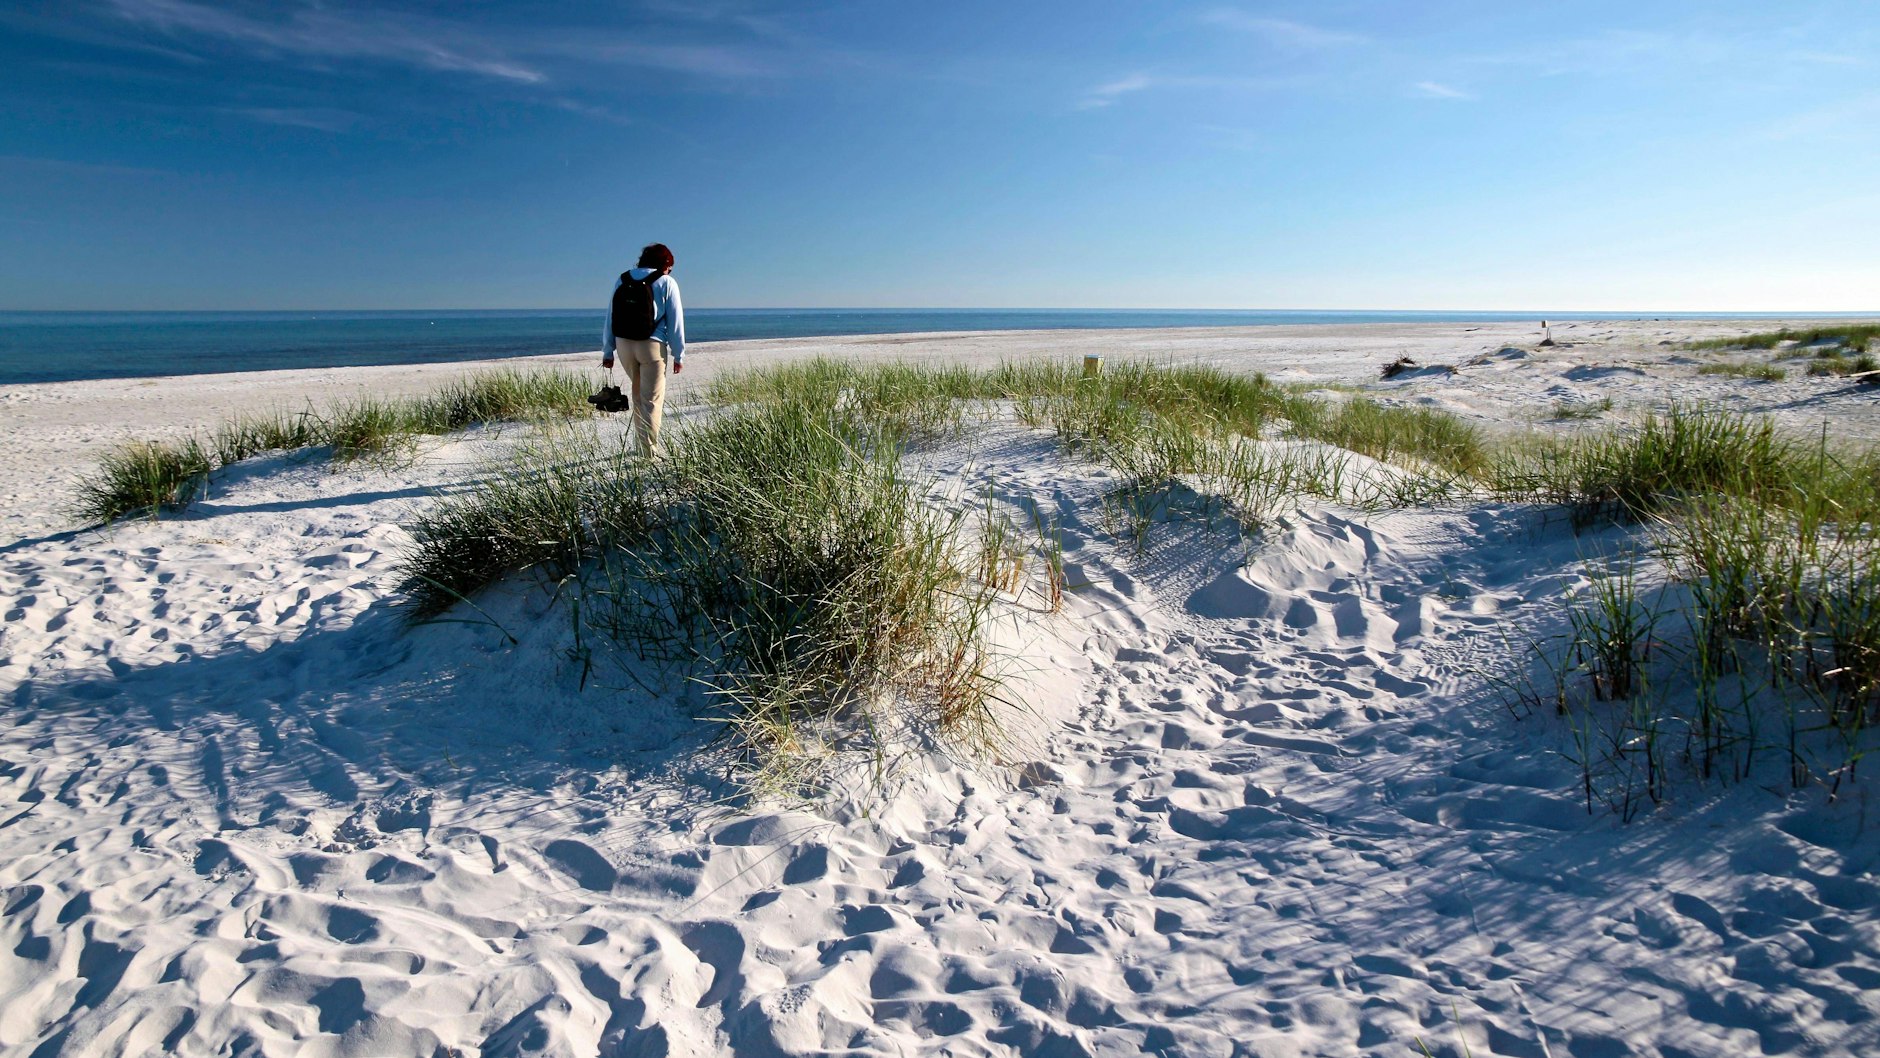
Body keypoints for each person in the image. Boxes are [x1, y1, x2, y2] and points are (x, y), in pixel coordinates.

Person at [602, 243, 686, 454]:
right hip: (652, 346)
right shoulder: (667, 282)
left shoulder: (623, 279)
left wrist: (607, 350)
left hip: (624, 345)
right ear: (665, 264)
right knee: (651, 400)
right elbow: (676, 323)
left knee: (639, 395)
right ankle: (649, 453)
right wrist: (679, 354)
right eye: (670, 267)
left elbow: (610, 317)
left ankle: (642, 445)